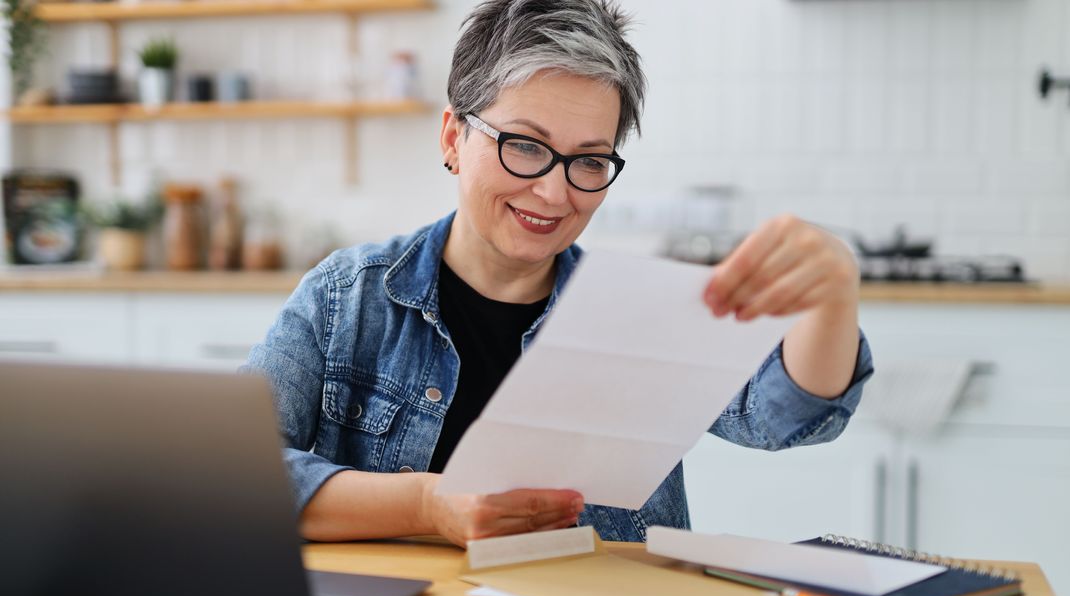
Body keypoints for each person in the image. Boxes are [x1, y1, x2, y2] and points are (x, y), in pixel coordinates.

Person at [243, 0, 874, 548]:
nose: (553, 191)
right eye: (524, 144)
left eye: (589, 160)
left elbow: (787, 416)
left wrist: (833, 297)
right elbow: (234, 476)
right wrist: (428, 506)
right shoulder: (347, 298)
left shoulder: (637, 315)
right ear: (452, 139)